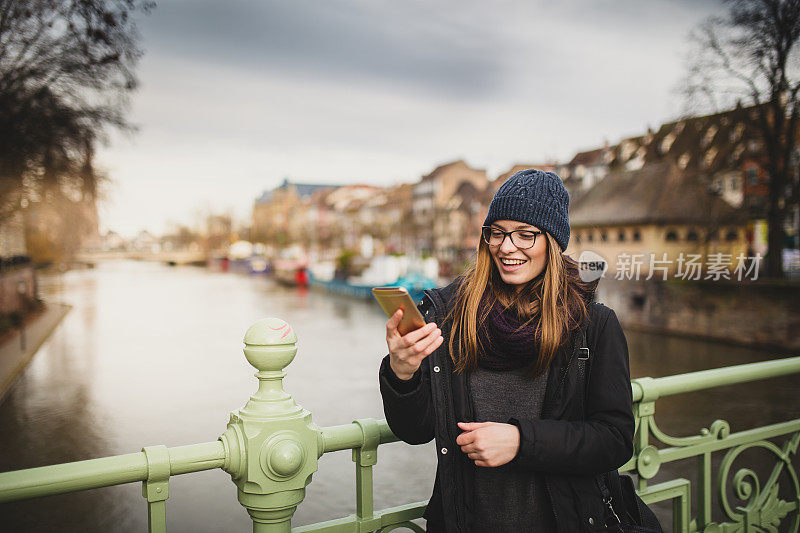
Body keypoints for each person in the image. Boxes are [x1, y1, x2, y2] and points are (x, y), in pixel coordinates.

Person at [379, 169, 635, 532]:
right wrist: (401, 374)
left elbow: (614, 438)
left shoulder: (592, 324)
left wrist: (521, 441)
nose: (506, 246)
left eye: (525, 235)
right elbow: (416, 430)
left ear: (553, 241)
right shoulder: (450, 315)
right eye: (496, 233)